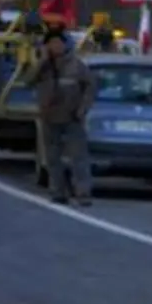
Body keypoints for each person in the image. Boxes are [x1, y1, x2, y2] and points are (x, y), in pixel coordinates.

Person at [27, 29, 96, 206]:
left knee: (78, 157)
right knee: (52, 158)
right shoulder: (44, 67)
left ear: (65, 45)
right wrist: (41, 62)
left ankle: (82, 193)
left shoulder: (76, 65)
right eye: (51, 43)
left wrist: (82, 110)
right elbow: (28, 81)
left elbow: (90, 88)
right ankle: (58, 191)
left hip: (72, 117)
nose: (55, 46)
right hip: (49, 117)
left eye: (58, 43)